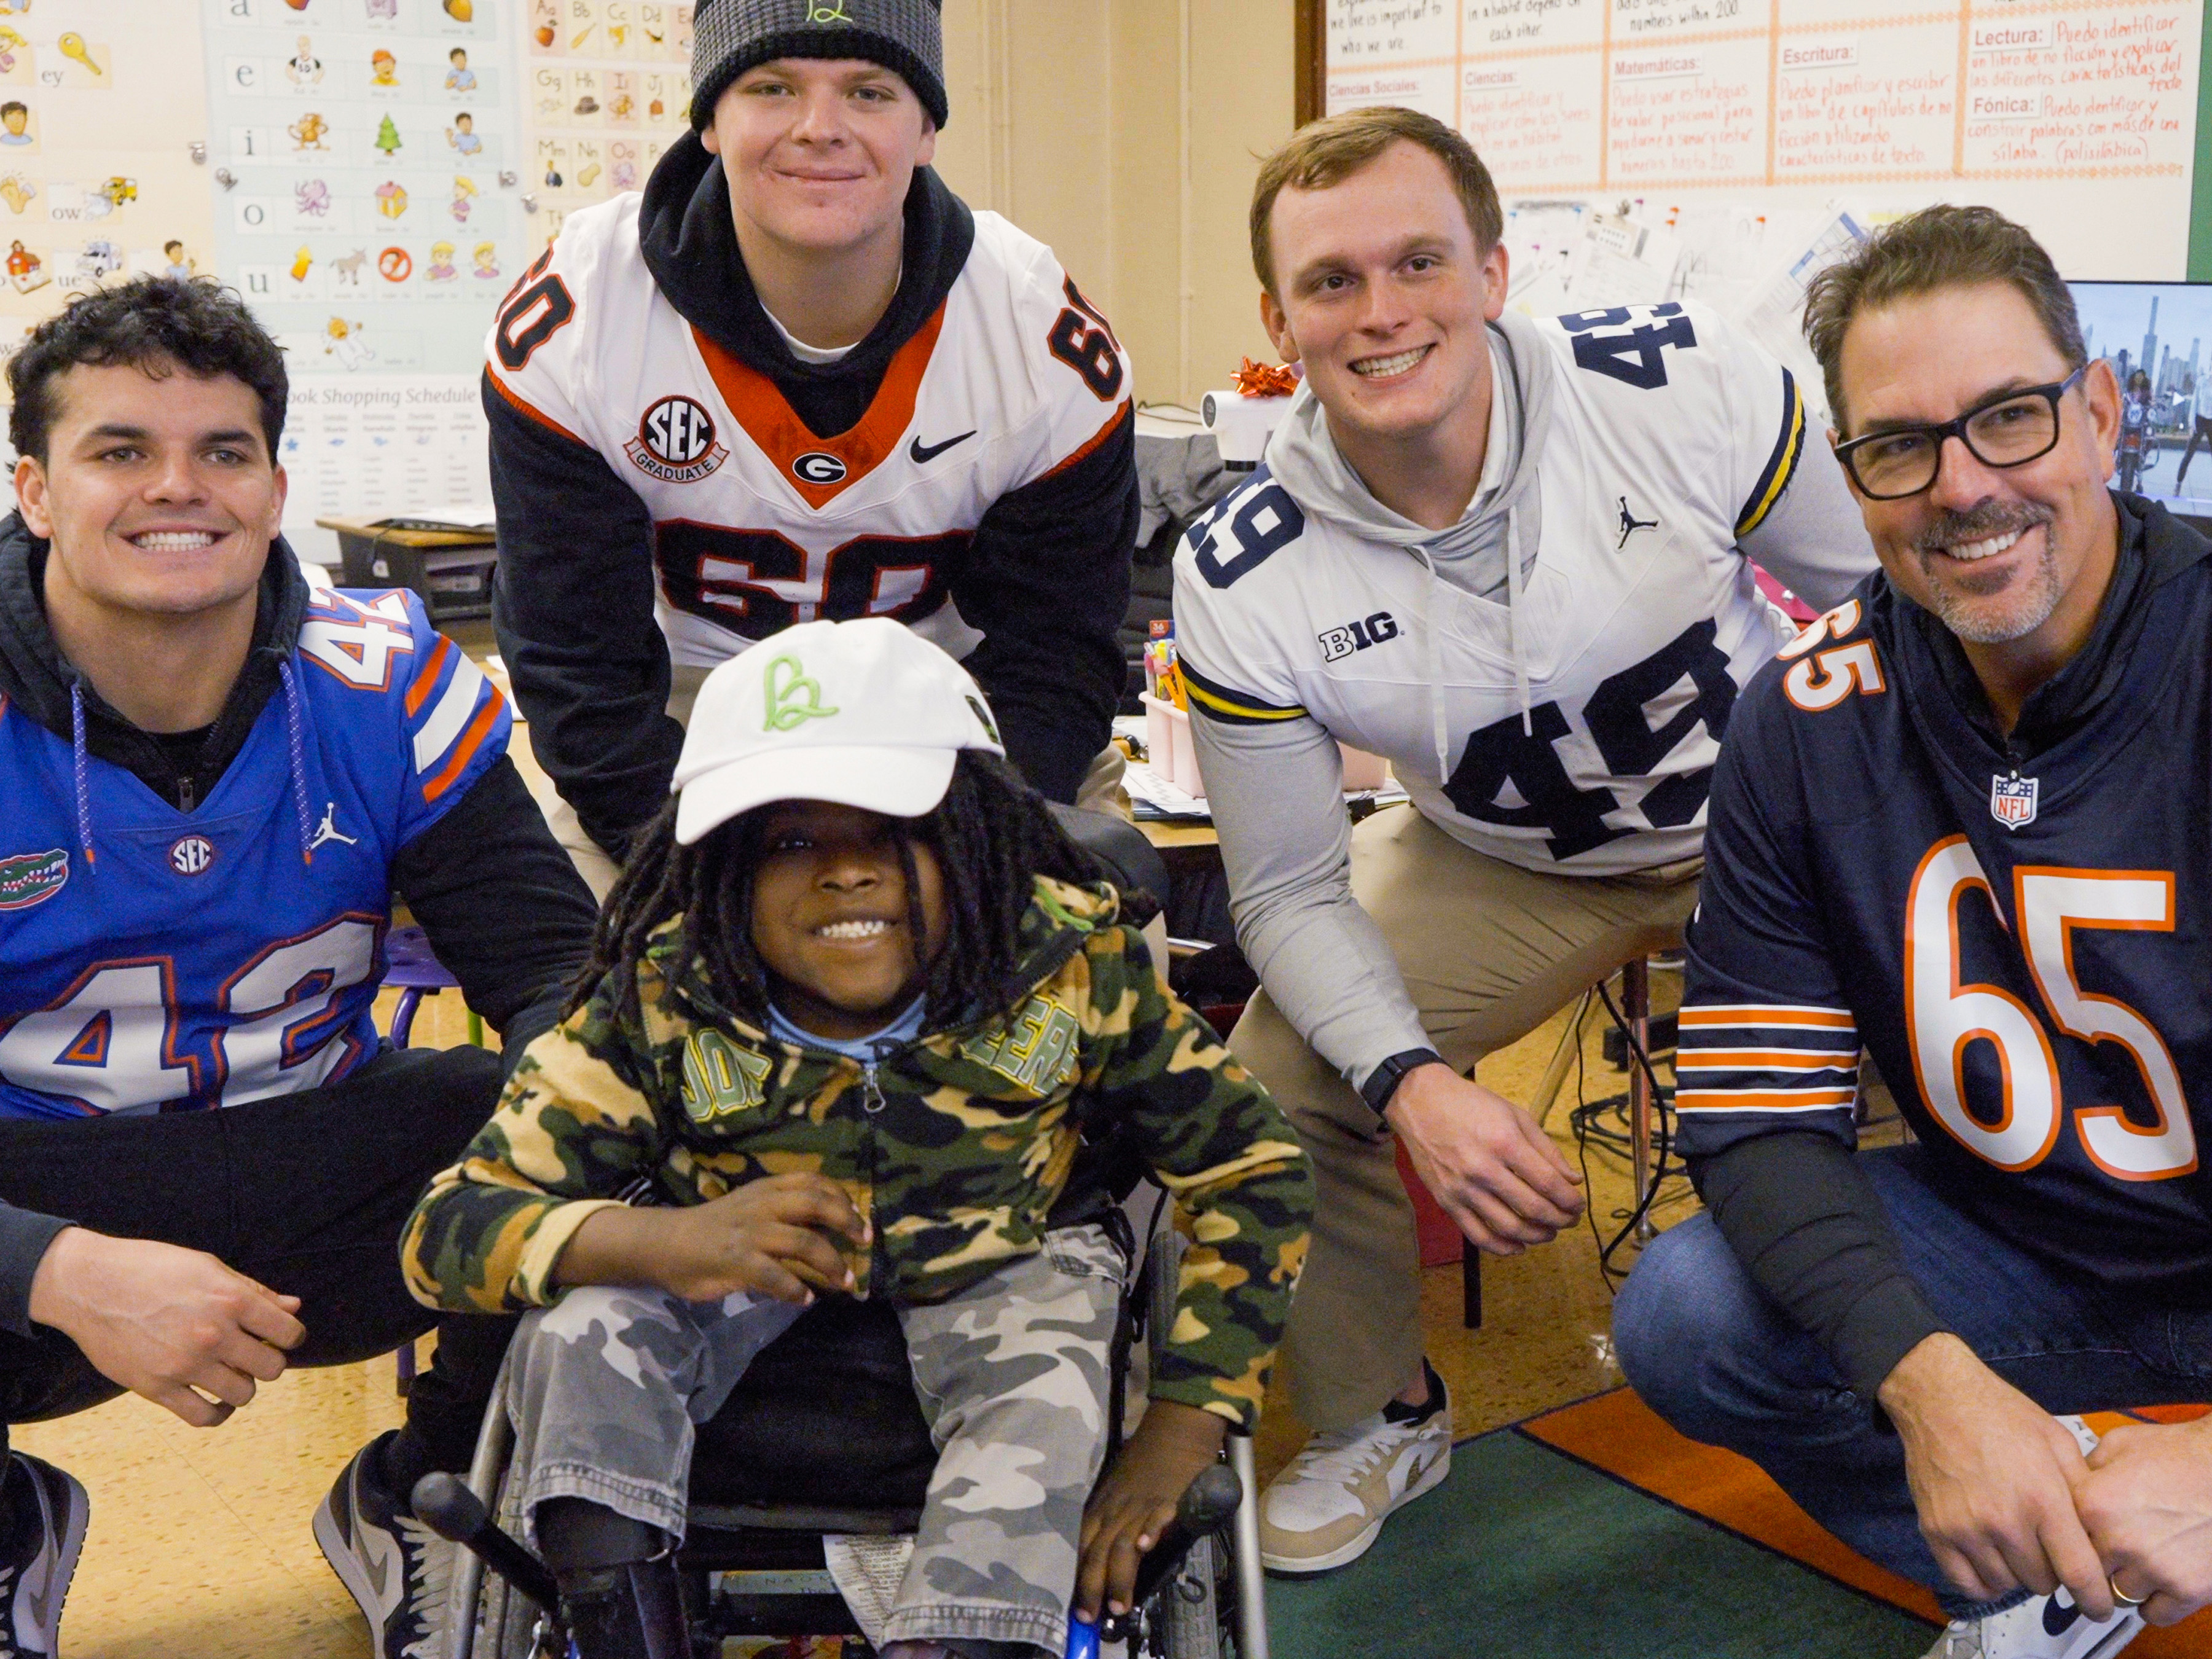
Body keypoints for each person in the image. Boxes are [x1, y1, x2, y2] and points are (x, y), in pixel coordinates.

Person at [1169, 104, 1877, 1574]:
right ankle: (1384, 1413)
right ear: (1276, 320)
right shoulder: (1241, 571)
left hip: (1770, 816)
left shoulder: (1675, 384)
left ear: (1494, 270)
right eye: (1333, 283)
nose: (1382, 313)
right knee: (1289, 1077)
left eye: (1419, 261)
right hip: (1504, 860)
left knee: (1952, 1033)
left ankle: (1972, 1368)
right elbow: (1290, 887)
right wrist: (1415, 1082)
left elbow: (1891, 610)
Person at [402, 618, 1313, 1658]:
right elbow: (447, 1232)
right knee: (582, 1327)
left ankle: (966, 1636)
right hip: (730, 1270)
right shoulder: (663, 996)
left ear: (971, 831)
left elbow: (1256, 1166)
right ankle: (618, 1613)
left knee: (1049, 1382)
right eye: (791, 840)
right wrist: (666, 1242)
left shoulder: (1069, 969)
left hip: (1008, 1260)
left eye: (891, 830)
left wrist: (1184, 1426)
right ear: (724, 865)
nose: (845, 873)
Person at [1614, 205, 2212, 1658]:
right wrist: (1934, 1387)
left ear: (2104, 411)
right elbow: (1757, 1120)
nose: (1963, 488)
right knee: (1689, 1316)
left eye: (2009, 418)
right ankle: (2052, 1585)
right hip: (2037, 1246)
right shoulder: (1802, 717)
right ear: (1851, 478)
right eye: (1899, 447)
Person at [0, 276, 599, 1659]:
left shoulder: (383, 678)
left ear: (277, 487)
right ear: (35, 490)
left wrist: (580, 1135)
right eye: (119, 451)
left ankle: (427, 1492)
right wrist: (58, 1269)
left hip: (320, 1161)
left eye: (223, 451)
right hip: (40, 1187)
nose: (178, 489)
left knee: (602, 1112)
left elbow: (554, 971)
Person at [484, 0, 1140, 901]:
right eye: (772, 86)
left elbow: (1056, 656)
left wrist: (966, 854)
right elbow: (577, 666)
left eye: (869, 90)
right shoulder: (587, 315)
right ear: (711, 120)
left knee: (1102, 966)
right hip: (685, 716)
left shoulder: (1032, 334)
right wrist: (702, 881)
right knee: (598, 996)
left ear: (927, 129)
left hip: (950, 714)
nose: (820, 129)